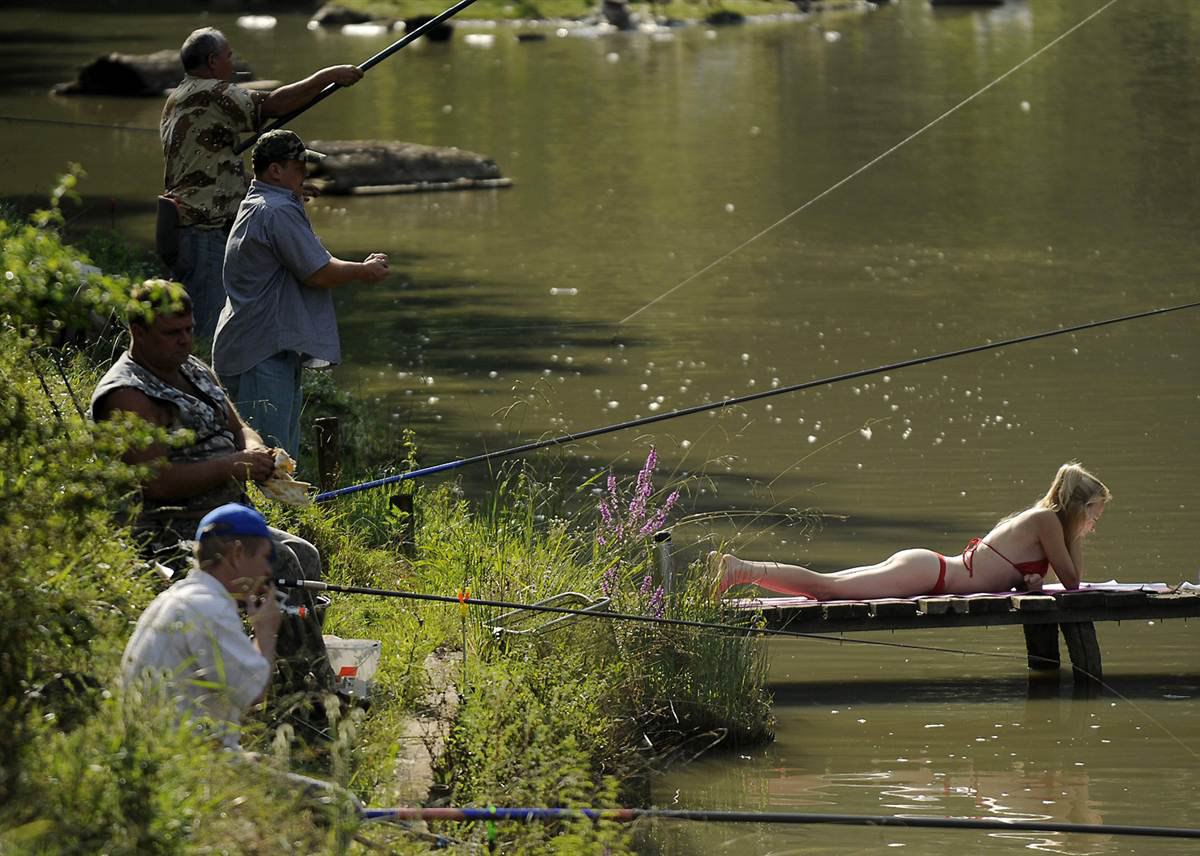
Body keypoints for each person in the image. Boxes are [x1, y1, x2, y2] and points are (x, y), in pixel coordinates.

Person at [90, 279, 333, 696]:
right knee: (283, 565)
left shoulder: (192, 369)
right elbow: (155, 482)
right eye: (172, 333)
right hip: (171, 531)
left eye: (188, 329)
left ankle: (285, 675)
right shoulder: (127, 394)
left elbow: (238, 426)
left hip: (224, 520)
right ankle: (307, 695)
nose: (184, 341)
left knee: (306, 556)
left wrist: (257, 452)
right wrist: (231, 466)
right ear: (139, 332)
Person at [161, 27, 365, 338]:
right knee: (203, 327)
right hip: (204, 229)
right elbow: (274, 104)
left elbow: (211, 170)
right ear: (213, 61)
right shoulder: (212, 92)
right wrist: (327, 76)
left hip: (185, 226)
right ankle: (200, 383)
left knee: (199, 319)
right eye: (229, 56)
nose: (233, 63)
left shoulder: (177, 98)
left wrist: (282, 185)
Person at [212, 128, 390, 459]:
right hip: (260, 353)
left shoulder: (262, 201)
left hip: (258, 346)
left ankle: (281, 511)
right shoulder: (278, 211)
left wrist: (292, 194)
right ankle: (272, 512)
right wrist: (363, 270)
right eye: (297, 167)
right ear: (274, 170)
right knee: (269, 461)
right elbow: (318, 273)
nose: (304, 173)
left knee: (275, 456)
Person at [714, 462, 1111, 600]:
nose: (1095, 523)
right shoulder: (1047, 521)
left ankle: (741, 568)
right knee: (824, 589)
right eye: (1094, 514)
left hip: (929, 568)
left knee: (827, 584)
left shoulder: (1044, 522)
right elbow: (1074, 584)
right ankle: (740, 570)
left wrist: (1028, 582)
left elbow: (1031, 574)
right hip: (931, 573)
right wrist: (1076, 533)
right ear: (1079, 507)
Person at [121, 503, 281, 749]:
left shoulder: (175, 597)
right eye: (265, 557)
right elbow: (254, 696)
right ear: (237, 554)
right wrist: (265, 631)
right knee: (331, 791)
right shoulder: (210, 609)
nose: (268, 570)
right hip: (185, 764)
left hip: (153, 753)